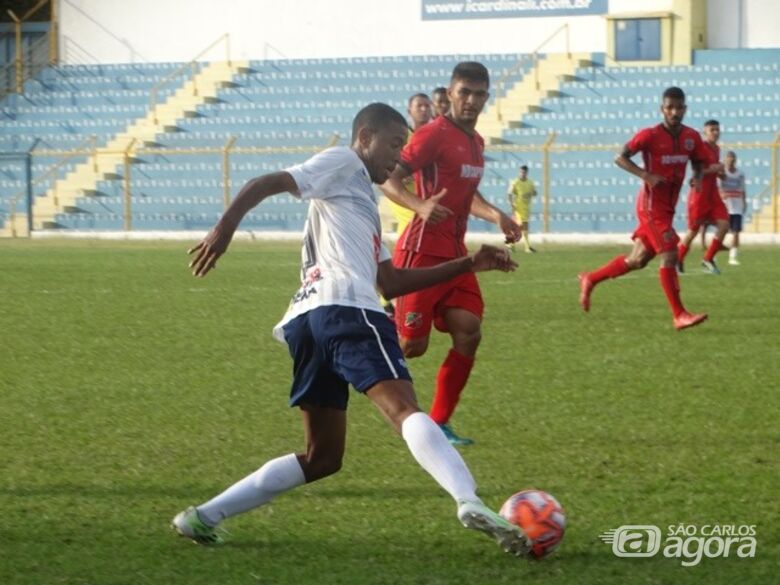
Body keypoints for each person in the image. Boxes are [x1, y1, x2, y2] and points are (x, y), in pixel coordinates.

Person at [171, 103, 530, 557]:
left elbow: (392, 281)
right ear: (364, 137)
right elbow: (269, 182)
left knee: (322, 457)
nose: (398, 158)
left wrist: (469, 263)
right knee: (403, 409)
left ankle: (202, 516)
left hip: (309, 320)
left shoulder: (360, 200)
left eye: (403, 147)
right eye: (394, 144)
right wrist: (223, 231)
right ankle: (468, 499)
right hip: (348, 310)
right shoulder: (342, 161)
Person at [379, 62, 522, 445]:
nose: (471, 101)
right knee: (412, 347)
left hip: (456, 254)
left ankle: (439, 423)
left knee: (468, 331)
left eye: (479, 95)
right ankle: (358, 335)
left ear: (487, 98)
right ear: (451, 92)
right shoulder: (433, 135)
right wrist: (417, 204)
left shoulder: (476, 142)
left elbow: (465, 193)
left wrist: (497, 215)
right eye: (464, 93)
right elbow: (389, 176)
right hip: (422, 251)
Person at [578, 87, 715, 331]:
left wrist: (697, 177)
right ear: (662, 109)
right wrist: (645, 175)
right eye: (669, 107)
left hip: (667, 209)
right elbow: (620, 157)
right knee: (670, 252)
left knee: (638, 260)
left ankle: (592, 278)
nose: (674, 112)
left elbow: (700, 161)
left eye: (678, 107)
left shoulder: (691, 138)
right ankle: (679, 314)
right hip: (650, 208)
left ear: (685, 109)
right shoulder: (649, 135)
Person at [677, 120, 728, 274]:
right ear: (705, 132)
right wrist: (715, 168)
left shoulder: (717, 149)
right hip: (699, 196)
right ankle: (678, 260)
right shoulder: (701, 149)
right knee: (692, 232)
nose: (715, 132)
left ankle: (708, 259)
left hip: (713, 195)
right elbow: (697, 172)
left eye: (717, 129)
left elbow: (712, 169)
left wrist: (720, 173)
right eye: (712, 129)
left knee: (724, 225)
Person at [720, 150, 747, 265]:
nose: (730, 162)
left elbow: (742, 188)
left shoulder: (740, 174)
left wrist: (744, 201)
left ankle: (733, 257)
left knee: (735, 232)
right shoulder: (721, 174)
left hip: (736, 207)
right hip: (724, 206)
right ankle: (712, 254)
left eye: (732, 160)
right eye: (728, 160)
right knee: (722, 231)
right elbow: (718, 188)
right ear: (725, 161)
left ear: (735, 161)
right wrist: (721, 195)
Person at [506, 164, 537, 253]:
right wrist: (511, 203)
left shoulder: (530, 183)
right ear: (519, 172)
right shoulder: (515, 182)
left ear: (527, 173)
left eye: (524, 172)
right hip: (517, 209)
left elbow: (534, 193)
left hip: (526, 209)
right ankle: (511, 245)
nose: (522, 174)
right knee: (519, 226)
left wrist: (533, 192)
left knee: (525, 227)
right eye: (521, 172)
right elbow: (509, 193)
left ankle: (525, 247)